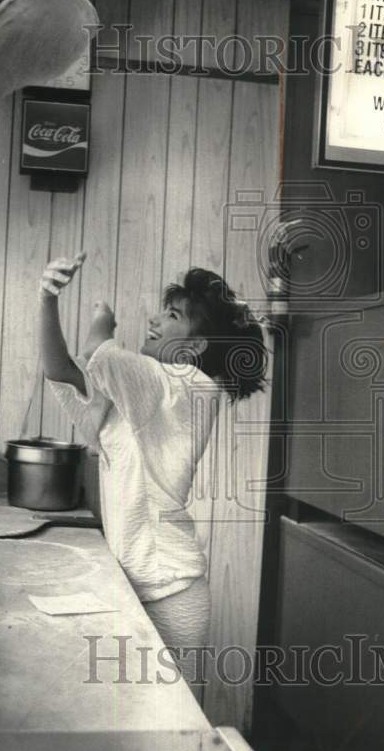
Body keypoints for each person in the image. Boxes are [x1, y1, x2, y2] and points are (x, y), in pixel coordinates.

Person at [39, 252, 267, 693]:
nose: (156, 320)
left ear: (196, 346)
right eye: (164, 310)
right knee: (140, 717)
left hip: (169, 591)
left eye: (173, 315)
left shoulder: (187, 385)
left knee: (163, 723)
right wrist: (46, 297)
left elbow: (95, 352)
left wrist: (102, 320)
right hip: (142, 579)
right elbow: (63, 370)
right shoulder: (146, 391)